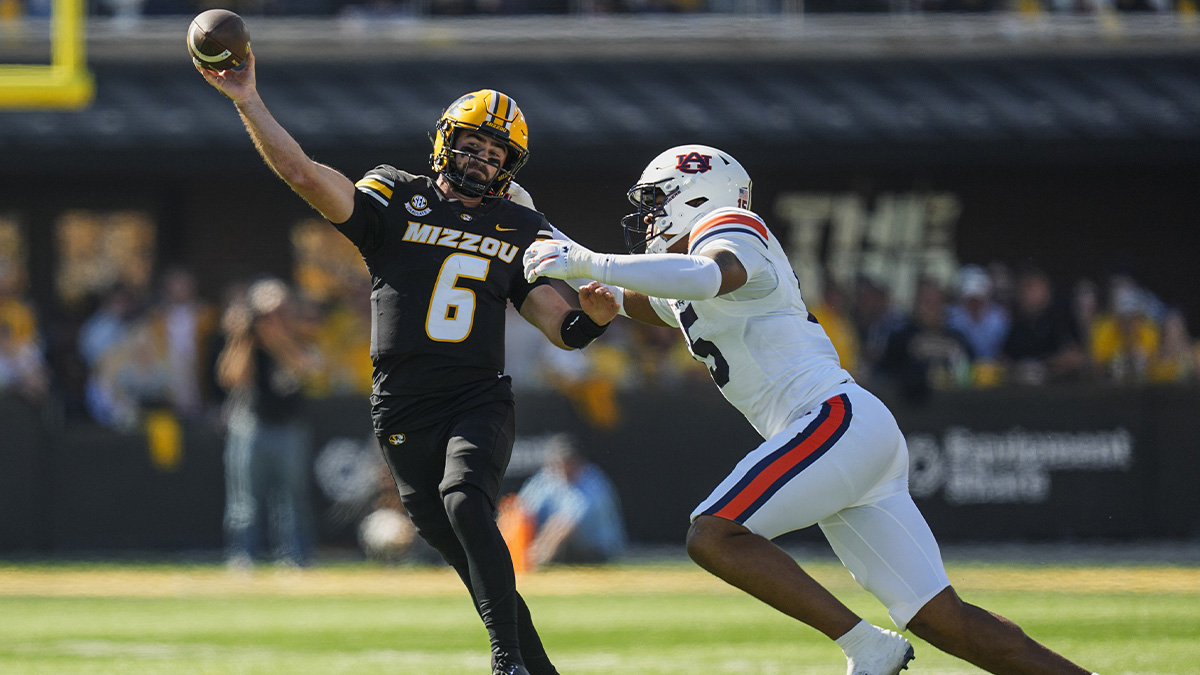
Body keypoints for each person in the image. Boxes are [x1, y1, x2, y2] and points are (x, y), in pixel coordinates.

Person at [524, 144, 1095, 675]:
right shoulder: (687, 277)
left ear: (697, 195)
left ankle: (866, 646)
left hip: (831, 420)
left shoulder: (731, 228)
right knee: (942, 619)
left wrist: (587, 262)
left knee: (713, 535)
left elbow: (699, 276)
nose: (645, 220)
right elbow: (651, 299)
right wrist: (542, 231)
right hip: (849, 432)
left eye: (654, 202)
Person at [197, 52, 618, 675]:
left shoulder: (520, 226)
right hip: (402, 403)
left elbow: (560, 324)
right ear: (446, 142)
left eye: (497, 153)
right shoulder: (398, 197)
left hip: (478, 395)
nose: (482, 159)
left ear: (510, 168)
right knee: (468, 556)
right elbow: (309, 178)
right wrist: (248, 100)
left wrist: (595, 317)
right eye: (474, 143)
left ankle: (506, 661)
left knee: (467, 501)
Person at [216, 278, 319, 569]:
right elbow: (231, 378)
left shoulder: (300, 336)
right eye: (266, 313)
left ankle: (295, 557)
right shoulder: (246, 341)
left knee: (292, 498)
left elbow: (306, 369)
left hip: (289, 426)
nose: (273, 318)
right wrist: (242, 338)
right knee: (243, 501)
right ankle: (242, 557)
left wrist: (276, 339)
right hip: (251, 425)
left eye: (279, 310)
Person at [513, 434, 626, 566]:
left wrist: (534, 558)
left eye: (568, 464)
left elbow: (564, 526)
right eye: (558, 464)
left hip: (599, 553)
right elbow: (520, 510)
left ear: (579, 463)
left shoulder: (593, 483)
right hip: (565, 550)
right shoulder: (548, 477)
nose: (563, 470)